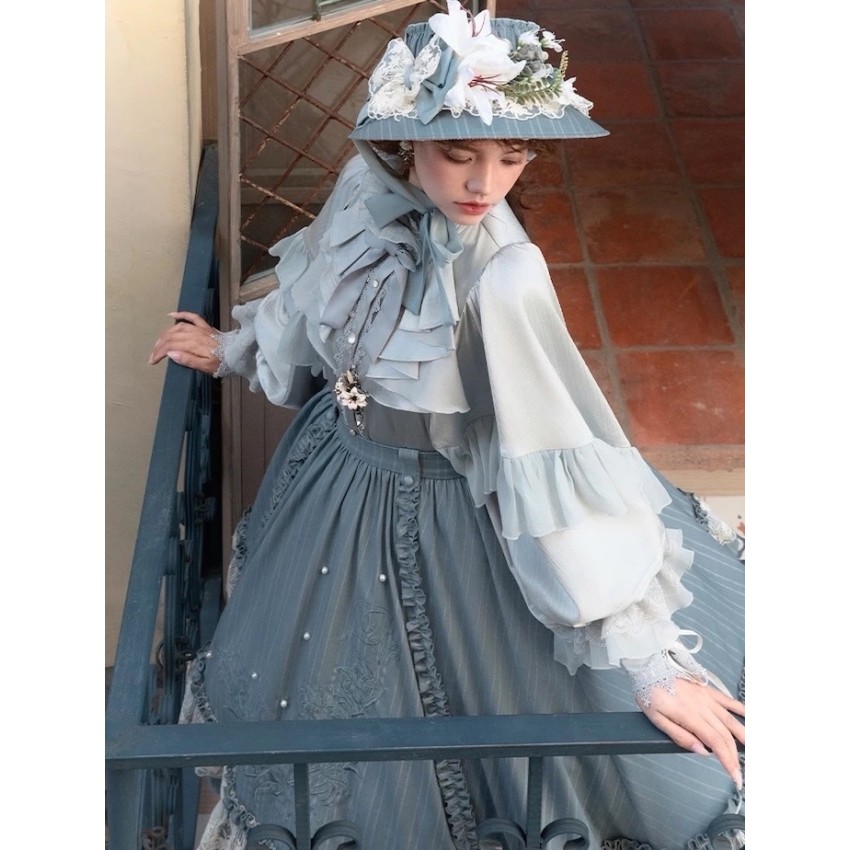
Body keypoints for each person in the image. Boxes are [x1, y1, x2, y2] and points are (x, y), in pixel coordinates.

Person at [150, 4, 745, 849]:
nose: (483, 184)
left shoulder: (506, 275)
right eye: (460, 154)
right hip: (339, 470)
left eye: (510, 158)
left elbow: (545, 450)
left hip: (456, 509)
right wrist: (233, 347)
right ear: (406, 143)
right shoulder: (362, 193)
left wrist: (646, 659)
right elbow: (308, 298)